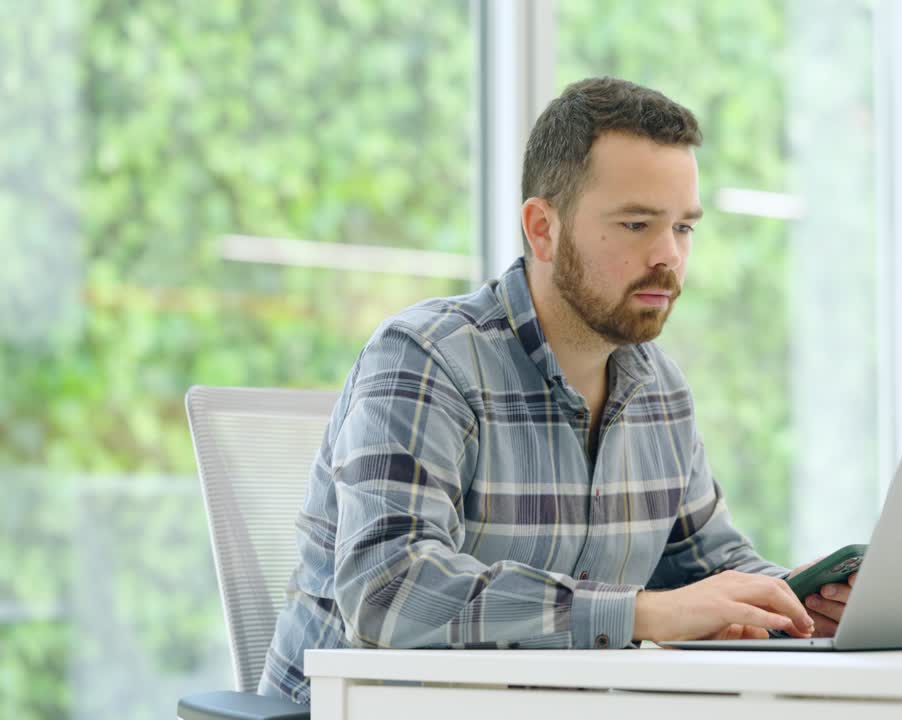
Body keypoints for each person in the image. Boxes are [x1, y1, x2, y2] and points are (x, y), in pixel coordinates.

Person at [259, 77, 856, 705]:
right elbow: (388, 590)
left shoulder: (659, 388)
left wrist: (806, 599)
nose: (668, 258)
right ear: (542, 228)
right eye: (635, 224)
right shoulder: (427, 358)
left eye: (683, 228)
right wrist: (641, 614)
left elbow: (708, 567)